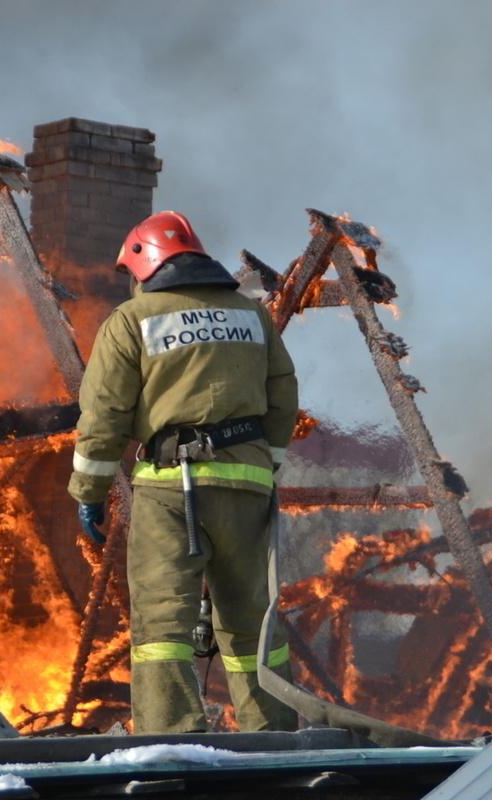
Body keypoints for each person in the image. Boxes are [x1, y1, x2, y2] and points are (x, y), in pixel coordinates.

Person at [66, 210, 298, 733]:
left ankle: (172, 735)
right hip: (248, 485)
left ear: (145, 263)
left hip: (171, 490)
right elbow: (283, 398)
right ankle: (274, 733)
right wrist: (265, 466)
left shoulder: (133, 320)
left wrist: (91, 490)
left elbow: (104, 412)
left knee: (164, 620)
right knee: (251, 620)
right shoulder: (252, 315)